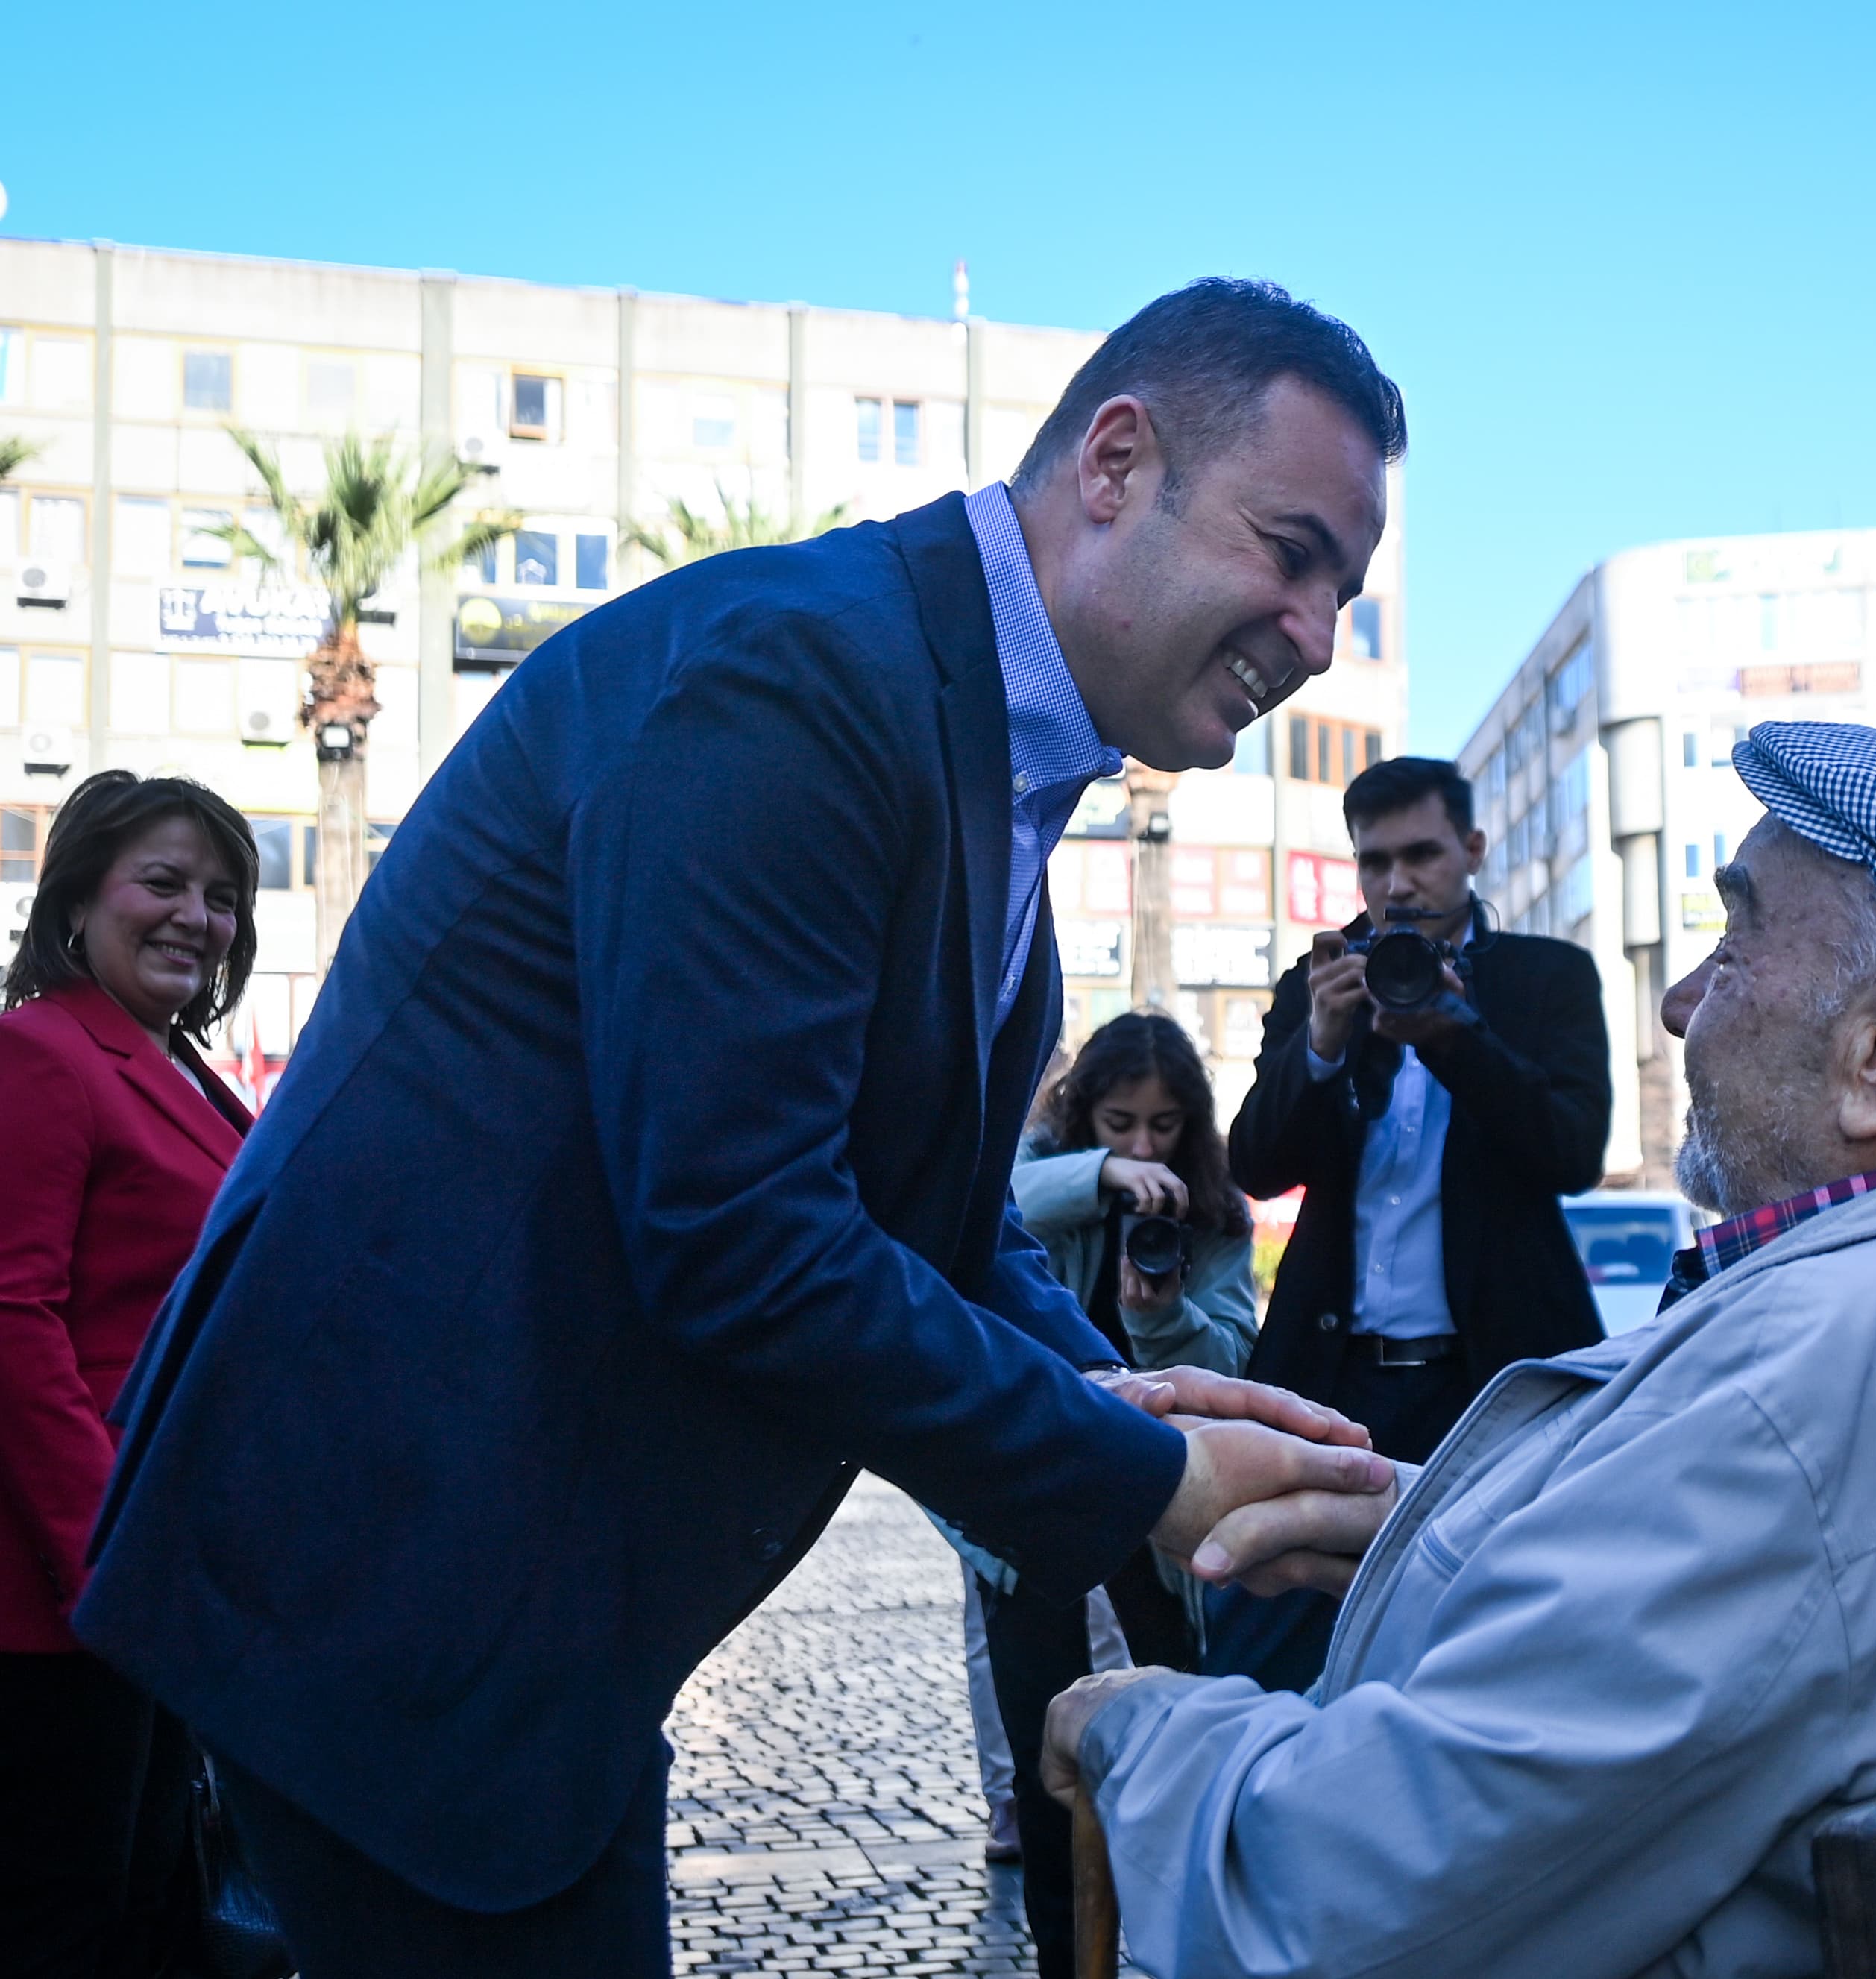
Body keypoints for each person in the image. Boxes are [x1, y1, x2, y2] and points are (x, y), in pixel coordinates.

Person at [72, 279, 1402, 1977]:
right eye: (1289, 550)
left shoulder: (972, 755)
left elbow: (933, 1222)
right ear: (1116, 460)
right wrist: (1146, 1471)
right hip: (389, 1574)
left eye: (1342, 593)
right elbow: (735, 1232)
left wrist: (1119, 1387)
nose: (1314, 633)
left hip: (517, 1615)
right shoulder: (807, 671)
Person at [1047, 723, 1876, 1979]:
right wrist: (1409, 1518)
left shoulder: (1815, 1387)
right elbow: (1792, 1611)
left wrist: (1139, 1725)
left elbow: (1326, 1901)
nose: (1679, 1004)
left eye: (1731, 948)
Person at [1218, 755, 1611, 1688]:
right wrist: (1318, 1044)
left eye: (1424, 855)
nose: (1398, 884)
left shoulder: (1546, 978)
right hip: (1330, 1381)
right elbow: (1256, 1166)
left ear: (1472, 850)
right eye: (1375, 861)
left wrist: (1454, 1036)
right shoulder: (1320, 981)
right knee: (1269, 1654)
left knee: (1489, 1657)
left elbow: (1572, 1153)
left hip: (1491, 1382)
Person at [0, 771, 260, 1977]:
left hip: (161, 1585)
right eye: (161, 881)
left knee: (154, 1906)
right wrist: (106, 1555)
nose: (192, 916)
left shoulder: (185, 1070)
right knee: (68, 1915)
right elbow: (15, 1321)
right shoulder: (43, 1051)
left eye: (217, 896)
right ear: (80, 895)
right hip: (63, 1597)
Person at [972, 1011, 1261, 1975]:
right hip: (1033, 1499)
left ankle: (1191, 1943)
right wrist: (1097, 1179)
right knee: (1042, 1747)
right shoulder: (1034, 1186)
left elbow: (1230, 1357)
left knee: (1184, 1712)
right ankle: (1067, 1958)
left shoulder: (1213, 1211)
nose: (1144, 1146)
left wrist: (1166, 1319)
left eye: (1165, 1125)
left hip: (1158, 1495)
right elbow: (989, 1211)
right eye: (1120, 1121)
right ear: (1082, 1113)